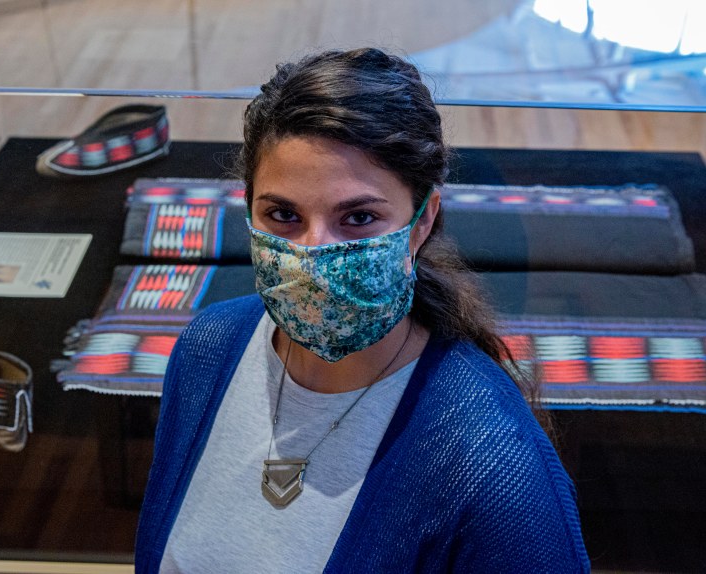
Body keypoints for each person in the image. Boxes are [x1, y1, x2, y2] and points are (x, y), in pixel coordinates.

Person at [135, 48, 589, 573]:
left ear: (422, 221)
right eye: (282, 214)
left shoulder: (494, 465)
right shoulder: (207, 349)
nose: (312, 254)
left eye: (357, 218)